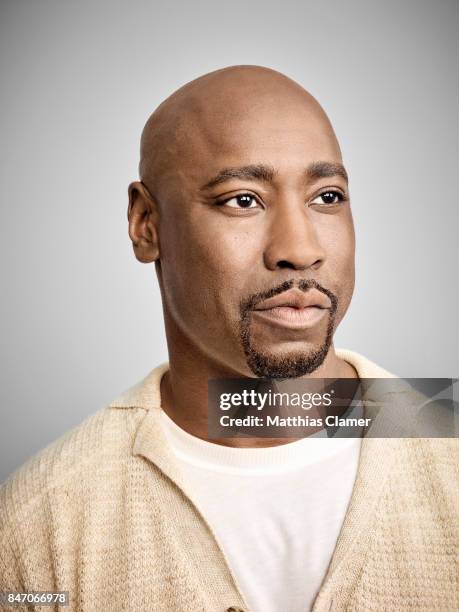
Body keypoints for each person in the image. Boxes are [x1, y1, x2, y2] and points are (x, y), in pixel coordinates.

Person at [0, 66, 457, 612]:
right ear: (146, 223)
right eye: (243, 200)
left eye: (327, 196)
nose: (300, 248)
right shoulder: (37, 526)